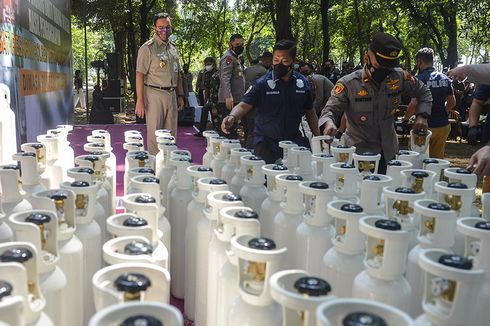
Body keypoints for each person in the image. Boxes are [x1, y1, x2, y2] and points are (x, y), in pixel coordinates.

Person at [319, 32, 433, 174]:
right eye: (380, 64)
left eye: (388, 66)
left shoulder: (399, 77)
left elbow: (424, 92)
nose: (384, 70)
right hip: (358, 155)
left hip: (389, 154)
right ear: (367, 56)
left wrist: (422, 115)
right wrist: (329, 123)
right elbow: (330, 109)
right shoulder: (349, 83)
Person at [221, 39, 320, 164]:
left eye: (284, 61)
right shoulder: (262, 83)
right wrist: (232, 117)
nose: (279, 64)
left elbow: (310, 113)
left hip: (293, 142)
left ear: (293, 62)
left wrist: (318, 137)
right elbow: (243, 105)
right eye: (276, 60)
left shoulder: (302, 84)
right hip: (266, 143)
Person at [135, 12, 184, 155]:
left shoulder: (173, 48)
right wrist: (140, 101)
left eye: (167, 27)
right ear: (154, 28)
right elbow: (139, 74)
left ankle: (169, 165)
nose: (165, 31)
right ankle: (155, 168)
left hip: (172, 94)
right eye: (161, 27)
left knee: (171, 134)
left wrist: (180, 95)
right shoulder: (148, 48)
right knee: (155, 134)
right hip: (154, 94)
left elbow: (178, 73)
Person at [404, 48, 456, 158]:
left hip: (422, 126)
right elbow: (452, 102)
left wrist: (405, 119)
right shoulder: (444, 78)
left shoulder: (418, 80)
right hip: (442, 125)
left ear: (419, 61)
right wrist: (443, 110)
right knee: (437, 160)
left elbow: (413, 104)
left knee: (417, 158)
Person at [218, 34, 246, 138]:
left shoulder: (236, 58)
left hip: (237, 98)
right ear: (231, 44)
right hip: (230, 99)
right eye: (237, 44)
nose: (240, 46)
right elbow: (224, 77)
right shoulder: (228, 58)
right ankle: (226, 151)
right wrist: (228, 96)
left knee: (233, 128)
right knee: (228, 129)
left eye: (242, 44)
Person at [242, 51, 272, 148]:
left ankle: (246, 148)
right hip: (255, 104)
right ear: (267, 61)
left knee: (248, 130)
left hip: (244, 102)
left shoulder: (249, 69)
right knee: (254, 131)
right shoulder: (264, 72)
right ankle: (250, 152)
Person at [194, 57, 219, 137]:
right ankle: (201, 131)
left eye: (209, 64)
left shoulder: (218, 73)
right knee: (205, 108)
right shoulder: (206, 74)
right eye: (206, 65)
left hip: (219, 97)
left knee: (215, 113)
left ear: (213, 64)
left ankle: (217, 130)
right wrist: (205, 101)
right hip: (212, 97)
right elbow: (206, 88)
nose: (207, 66)